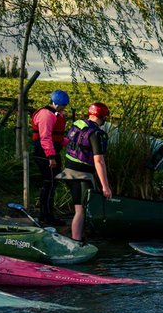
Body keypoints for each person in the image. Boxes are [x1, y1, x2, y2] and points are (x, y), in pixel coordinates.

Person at [59, 102, 113, 242]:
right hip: (82, 176)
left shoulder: (79, 125)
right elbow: (99, 162)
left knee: (79, 209)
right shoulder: (95, 134)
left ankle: (77, 237)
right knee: (80, 211)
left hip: (68, 172)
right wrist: (105, 186)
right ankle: (76, 240)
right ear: (102, 116)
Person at [31, 90, 70, 225]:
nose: (63, 108)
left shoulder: (54, 114)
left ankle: (45, 214)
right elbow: (45, 138)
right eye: (62, 105)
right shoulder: (46, 115)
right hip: (45, 154)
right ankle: (47, 216)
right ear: (54, 103)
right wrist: (51, 157)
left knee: (51, 184)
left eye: (64, 105)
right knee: (50, 184)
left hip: (49, 153)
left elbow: (56, 137)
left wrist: (69, 141)